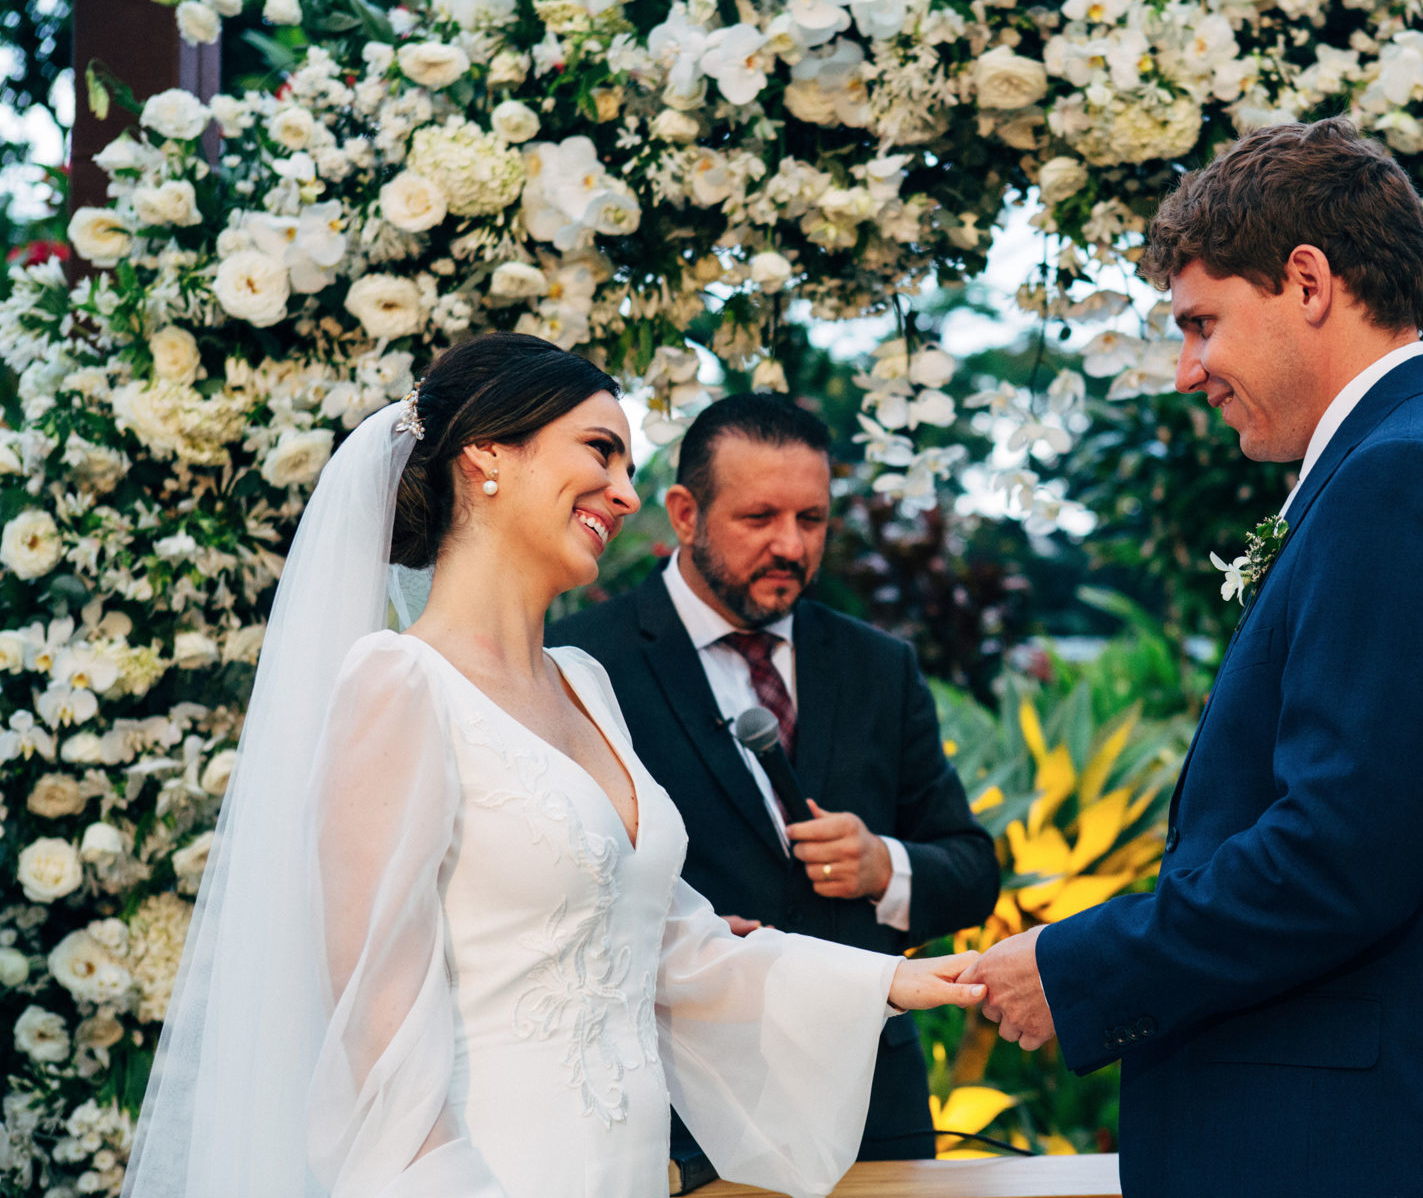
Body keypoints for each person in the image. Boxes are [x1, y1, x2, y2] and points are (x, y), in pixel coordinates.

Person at [123, 333, 984, 1198]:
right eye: (600, 450)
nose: (625, 491)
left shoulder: (583, 683)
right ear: (487, 455)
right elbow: (377, 1039)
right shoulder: (398, 684)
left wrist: (897, 979)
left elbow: (671, 947)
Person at [961, 119, 1423, 1197]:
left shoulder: (1410, 481)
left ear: (1307, 281)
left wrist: (1082, 966)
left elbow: (1341, 853)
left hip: (1360, 1144)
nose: (1191, 370)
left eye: (1203, 323)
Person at [549, 394, 1001, 1161]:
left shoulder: (878, 666)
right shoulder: (583, 663)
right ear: (685, 513)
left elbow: (971, 870)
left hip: (870, 1109)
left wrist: (883, 867)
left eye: (812, 520)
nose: (791, 546)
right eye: (759, 519)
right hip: (681, 1115)